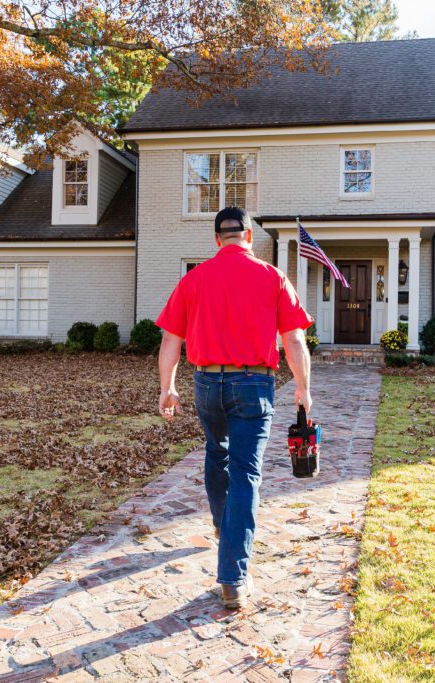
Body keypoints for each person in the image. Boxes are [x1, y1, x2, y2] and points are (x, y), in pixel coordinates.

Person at [156, 206, 313, 609]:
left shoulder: (194, 278)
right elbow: (294, 340)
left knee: (216, 454)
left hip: (207, 381)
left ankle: (222, 529)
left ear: (216, 239)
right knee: (245, 474)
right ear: (247, 236)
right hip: (253, 382)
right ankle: (234, 578)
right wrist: (303, 387)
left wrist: (167, 389)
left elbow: (171, 341)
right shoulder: (272, 276)